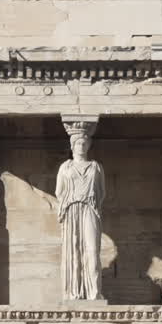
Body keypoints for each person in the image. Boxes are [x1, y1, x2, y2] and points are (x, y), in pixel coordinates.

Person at [56, 123, 104, 301]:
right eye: (78, 143)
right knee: (73, 249)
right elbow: (59, 191)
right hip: (71, 209)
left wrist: (90, 202)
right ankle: (73, 292)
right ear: (72, 146)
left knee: (92, 249)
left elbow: (101, 192)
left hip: (90, 208)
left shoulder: (95, 167)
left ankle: (94, 292)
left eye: (84, 143)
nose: (82, 146)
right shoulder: (65, 167)